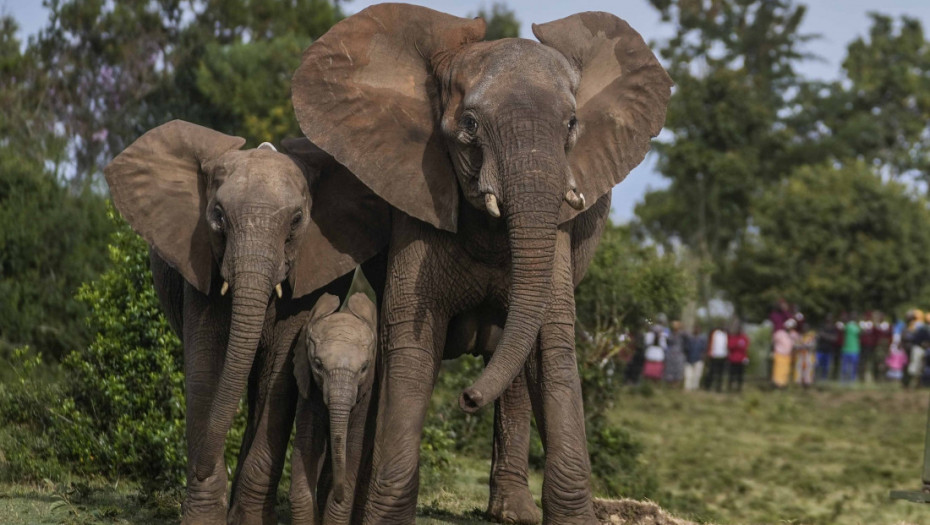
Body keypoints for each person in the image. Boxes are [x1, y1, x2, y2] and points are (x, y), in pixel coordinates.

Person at [772, 318, 796, 388]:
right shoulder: (779, 333)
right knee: (778, 370)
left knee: (786, 370)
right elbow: (773, 342)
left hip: (788, 355)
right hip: (779, 354)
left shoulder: (793, 335)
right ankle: (777, 384)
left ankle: (783, 385)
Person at [705, 324, 729, 392]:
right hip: (714, 355)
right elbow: (710, 342)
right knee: (711, 371)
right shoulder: (715, 333)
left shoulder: (726, 334)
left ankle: (718, 387)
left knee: (720, 373)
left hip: (723, 356)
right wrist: (709, 352)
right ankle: (708, 386)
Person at [727, 323, 749, 392]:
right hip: (733, 359)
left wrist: (745, 357)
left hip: (741, 360)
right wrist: (737, 345)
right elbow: (730, 346)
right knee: (732, 375)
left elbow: (745, 348)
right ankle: (730, 387)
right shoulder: (733, 337)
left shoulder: (744, 338)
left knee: (740, 375)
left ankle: (739, 388)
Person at [815, 315, 838, 380]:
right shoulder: (822, 327)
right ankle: (816, 377)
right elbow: (818, 336)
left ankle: (823, 379)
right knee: (816, 365)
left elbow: (834, 338)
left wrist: (824, 335)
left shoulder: (833, 328)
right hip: (820, 350)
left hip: (828, 350)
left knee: (826, 367)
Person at [664, 320, 686, 387]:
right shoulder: (670, 334)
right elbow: (667, 342)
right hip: (671, 354)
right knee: (670, 369)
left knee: (678, 369)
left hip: (679, 354)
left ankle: (676, 385)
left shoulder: (682, 334)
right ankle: (669, 385)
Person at [684, 325, 706, 391]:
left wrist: (703, 357)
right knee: (688, 375)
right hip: (689, 359)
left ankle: (695, 387)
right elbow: (686, 348)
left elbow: (704, 349)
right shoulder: (689, 339)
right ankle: (687, 388)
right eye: (695, 329)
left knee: (697, 375)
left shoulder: (702, 339)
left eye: (698, 329)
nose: (696, 330)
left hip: (698, 359)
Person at [841, 313, 862, 382]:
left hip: (854, 350)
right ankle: (844, 380)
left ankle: (851, 380)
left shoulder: (855, 327)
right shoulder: (847, 326)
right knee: (845, 367)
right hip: (847, 349)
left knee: (853, 367)